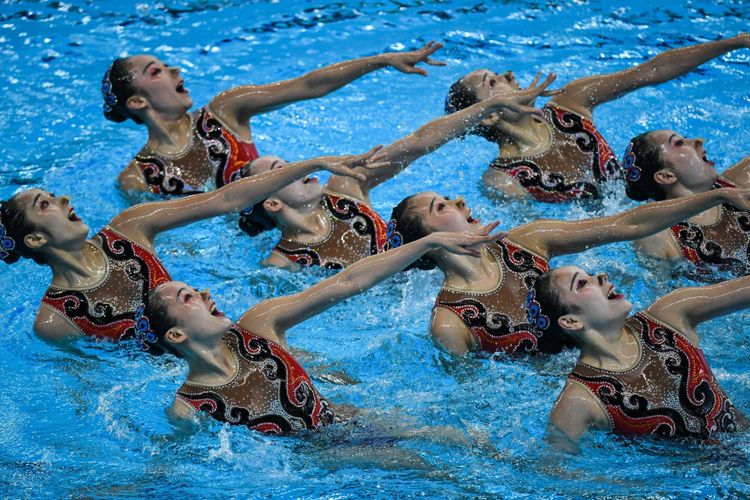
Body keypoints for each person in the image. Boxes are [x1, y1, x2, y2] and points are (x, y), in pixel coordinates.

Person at [134, 226, 504, 435]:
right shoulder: (188, 408)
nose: (204, 293)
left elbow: (347, 282)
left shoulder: (258, 326)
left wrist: (429, 241)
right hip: (322, 469)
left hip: (352, 421)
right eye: (188, 297)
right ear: (177, 336)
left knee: (459, 440)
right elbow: (176, 471)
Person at [1, 150, 380, 342]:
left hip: (227, 339)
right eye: (46, 204)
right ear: (35, 239)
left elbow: (226, 200)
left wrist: (311, 164)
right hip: (192, 387)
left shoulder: (130, 228)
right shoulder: (55, 321)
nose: (64, 199)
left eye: (53, 194)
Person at [239, 75, 556, 270]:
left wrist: (485, 108)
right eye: (283, 172)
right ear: (272, 204)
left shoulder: (345, 186)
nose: (299, 167)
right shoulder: (282, 264)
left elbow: (417, 143)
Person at [388, 187, 750, 356]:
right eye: (442, 206)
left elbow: (626, 224)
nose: (460, 201)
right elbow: (471, 402)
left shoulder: (528, 241)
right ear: (429, 240)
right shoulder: (451, 323)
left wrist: (711, 197)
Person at [105, 42, 445, 195]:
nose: (174, 70)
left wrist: (382, 59)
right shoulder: (137, 179)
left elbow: (308, 85)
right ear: (136, 101)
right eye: (157, 71)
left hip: (292, 214)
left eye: (167, 65)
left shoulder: (225, 110)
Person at [444, 34, 750, 202]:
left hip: (660, 195)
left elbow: (649, 72)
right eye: (493, 82)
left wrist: (731, 43)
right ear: (485, 117)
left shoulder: (571, 102)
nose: (509, 74)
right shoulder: (504, 180)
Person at [527, 266, 749, 443]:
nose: (602, 276)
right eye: (583, 283)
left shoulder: (670, 316)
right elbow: (557, 473)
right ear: (571, 321)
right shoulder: (580, 399)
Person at [623, 129, 750, 274]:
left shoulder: (740, 182)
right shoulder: (660, 238)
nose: (698, 140)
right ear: (666, 176)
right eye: (679, 143)